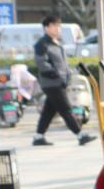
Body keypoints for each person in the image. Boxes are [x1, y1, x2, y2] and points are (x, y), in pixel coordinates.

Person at [32, 14, 96, 146]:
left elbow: (63, 64)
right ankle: (81, 135)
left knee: (48, 112)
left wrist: (67, 75)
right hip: (51, 83)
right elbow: (42, 64)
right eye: (55, 26)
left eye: (59, 26)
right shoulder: (41, 44)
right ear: (47, 28)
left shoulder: (57, 43)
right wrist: (57, 76)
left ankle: (38, 137)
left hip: (59, 82)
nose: (58, 29)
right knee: (66, 109)